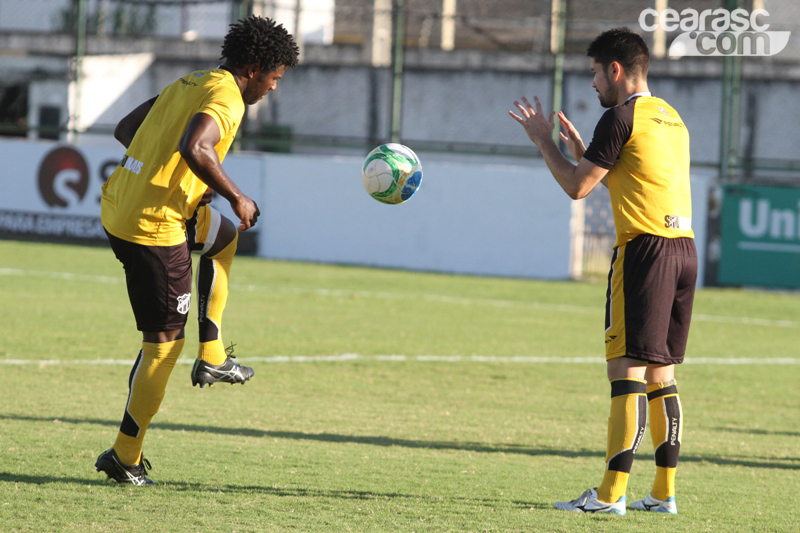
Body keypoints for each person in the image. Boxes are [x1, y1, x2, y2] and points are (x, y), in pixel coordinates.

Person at [95, 15, 299, 485]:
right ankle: (125, 456)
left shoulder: (191, 81)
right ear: (253, 67)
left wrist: (184, 180)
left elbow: (128, 128)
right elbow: (197, 145)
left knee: (224, 237)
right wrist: (235, 195)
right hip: (151, 226)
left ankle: (212, 355)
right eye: (274, 77)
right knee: (163, 345)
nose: (272, 87)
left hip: (123, 202)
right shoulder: (227, 96)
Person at [509, 27, 695, 515]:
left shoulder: (620, 116)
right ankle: (663, 493)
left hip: (644, 253)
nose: (592, 82)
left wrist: (544, 141)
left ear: (615, 69)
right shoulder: (670, 117)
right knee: (661, 372)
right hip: (683, 251)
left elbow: (577, 188)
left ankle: (610, 496)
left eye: (595, 71)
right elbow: (627, 175)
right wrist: (580, 147)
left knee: (626, 370)